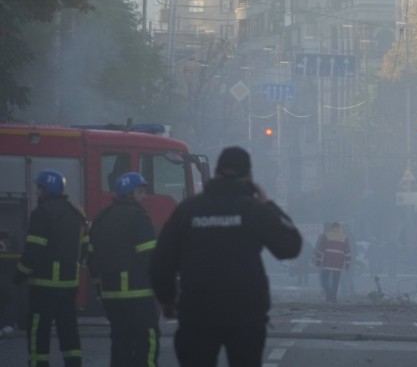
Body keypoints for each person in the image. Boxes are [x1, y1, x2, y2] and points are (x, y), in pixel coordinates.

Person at [150, 146, 302, 367]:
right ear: (248, 176)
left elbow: (161, 260)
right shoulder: (253, 209)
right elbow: (290, 246)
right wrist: (267, 204)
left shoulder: (188, 210)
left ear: (216, 172)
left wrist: (167, 299)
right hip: (245, 315)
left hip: (197, 313)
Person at [13, 170, 87, 367]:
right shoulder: (76, 212)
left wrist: (18, 276)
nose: (37, 192)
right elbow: (86, 246)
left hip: (44, 286)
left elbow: (33, 251)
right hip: (69, 284)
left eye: (39, 188)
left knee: (39, 329)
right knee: (68, 328)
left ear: (46, 189)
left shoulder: (42, 213)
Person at [88, 172, 159, 367]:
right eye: (140, 192)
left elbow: (91, 258)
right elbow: (149, 257)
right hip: (138, 293)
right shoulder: (138, 216)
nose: (144, 196)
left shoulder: (101, 218)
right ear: (129, 194)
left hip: (111, 295)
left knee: (121, 342)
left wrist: (99, 290)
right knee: (148, 338)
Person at [313, 222, 351, 303]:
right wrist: (347, 263)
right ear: (339, 227)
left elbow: (320, 249)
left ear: (331, 227)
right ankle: (333, 297)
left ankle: (329, 294)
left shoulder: (326, 235)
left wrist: (318, 261)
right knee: (335, 281)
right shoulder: (344, 237)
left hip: (327, 261)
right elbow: (347, 251)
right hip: (338, 263)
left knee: (324, 278)